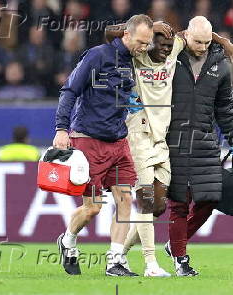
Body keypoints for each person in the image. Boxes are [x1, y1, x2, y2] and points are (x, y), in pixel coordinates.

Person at [104, 19, 233, 277]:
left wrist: (224, 43)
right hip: (148, 136)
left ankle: (119, 255)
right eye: (159, 43)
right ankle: (154, 263)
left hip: (177, 141)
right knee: (157, 203)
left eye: (168, 45)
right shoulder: (141, 54)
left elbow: (196, 35)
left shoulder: (186, 53)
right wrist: (151, 25)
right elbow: (112, 32)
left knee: (160, 207)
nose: (165, 49)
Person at [53, 14, 155, 277]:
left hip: (118, 141)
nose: (144, 48)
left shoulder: (133, 61)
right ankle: (68, 241)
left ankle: (115, 262)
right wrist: (62, 128)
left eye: (148, 44)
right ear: (127, 35)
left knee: (124, 199)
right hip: (89, 140)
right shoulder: (97, 56)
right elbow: (69, 90)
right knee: (93, 208)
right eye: (141, 43)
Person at [164, 16, 233, 276]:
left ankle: (174, 244)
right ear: (186, 35)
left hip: (205, 142)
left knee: (211, 198)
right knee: (178, 203)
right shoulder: (170, 55)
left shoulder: (220, 64)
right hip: (172, 140)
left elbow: (225, 107)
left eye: (208, 42)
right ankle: (180, 259)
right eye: (198, 41)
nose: (202, 47)